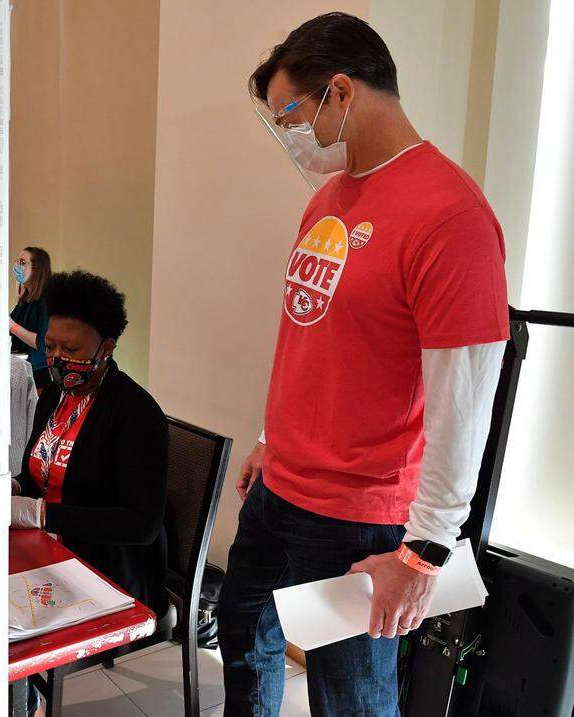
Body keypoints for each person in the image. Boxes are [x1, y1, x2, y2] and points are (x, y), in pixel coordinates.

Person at [219, 13, 509, 716]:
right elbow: (313, 335)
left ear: (341, 94)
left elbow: (463, 398)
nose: (288, 135)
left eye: (290, 114)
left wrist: (425, 552)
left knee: (349, 697)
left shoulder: (450, 216)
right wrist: (270, 435)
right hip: (281, 487)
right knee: (243, 637)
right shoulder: (328, 197)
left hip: (357, 516)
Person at [7, 270, 168, 717]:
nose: (58, 360)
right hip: (53, 551)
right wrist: (13, 487)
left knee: (2, 623)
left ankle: (27, 699)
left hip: (108, 568)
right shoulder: (55, 396)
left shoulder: (135, 414)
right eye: (51, 347)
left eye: (72, 350)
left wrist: (42, 514)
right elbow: (34, 470)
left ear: (107, 347)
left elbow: (141, 524)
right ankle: (23, 697)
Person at [9, 247, 52, 390]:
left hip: (38, 373)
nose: (17, 266)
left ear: (36, 268)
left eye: (22, 262)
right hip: (21, 369)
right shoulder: (25, 299)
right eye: (17, 261)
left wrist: (12, 327)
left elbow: (42, 342)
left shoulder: (45, 299)